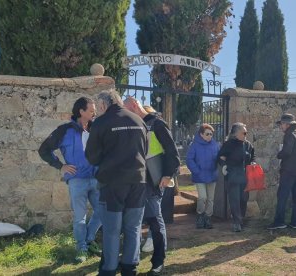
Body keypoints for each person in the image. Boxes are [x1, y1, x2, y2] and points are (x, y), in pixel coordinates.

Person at [85, 90, 148, 276]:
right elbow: (144, 150)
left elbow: (92, 156)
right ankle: (130, 268)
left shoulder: (101, 123)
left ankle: (109, 270)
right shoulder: (138, 120)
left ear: (104, 104)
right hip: (138, 181)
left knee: (112, 230)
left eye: (99, 106)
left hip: (112, 183)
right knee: (133, 227)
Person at [38, 97, 101, 263]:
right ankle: (82, 248)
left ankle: (88, 240)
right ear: (81, 111)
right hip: (77, 180)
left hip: (96, 178)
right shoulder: (64, 130)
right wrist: (60, 166)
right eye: (91, 110)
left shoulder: (97, 128)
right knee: (80, 217)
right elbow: (44, 150)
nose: (94, 113)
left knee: (103, 211)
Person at [124, 97, 180, 276]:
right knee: (132, 223)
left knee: (155, 221)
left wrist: (168, 174)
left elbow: (172, 151)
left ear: (133, 105)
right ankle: (130, 259)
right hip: (135, 181)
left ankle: (158, 262)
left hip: (152, 181)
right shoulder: (134, 124)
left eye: (126, 109)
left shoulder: (157, 123)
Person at [268, 114, 296, 230]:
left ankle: (279, 221)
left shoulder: (289, 134)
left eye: (281, 124)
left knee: (282, 196)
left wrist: (279, 154)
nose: (281, 127)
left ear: (287, 124)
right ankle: (295, 222)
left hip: (289, 170)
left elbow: (287, 152)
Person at [218, 122, 255, 232]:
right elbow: (221, 157)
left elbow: (253, 156)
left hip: (245, 176)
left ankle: (241, 219)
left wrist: (253, 162)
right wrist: (224, 166)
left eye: (246, 132)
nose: (246, 134)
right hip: (233, 176)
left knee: (244, 199)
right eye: (244, 132)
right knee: (234, 200)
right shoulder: (228, 144)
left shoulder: (248, 145)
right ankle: (236, 222)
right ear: (236, 133)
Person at [186, 123, 220, 229]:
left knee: (210, 199)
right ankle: (200, 215)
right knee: (202, 197)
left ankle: (208, 217)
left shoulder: (215, 145)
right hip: (199, 176)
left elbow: (219, 157)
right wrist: (196, 170)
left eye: (211, 134)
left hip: (212, 175)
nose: (210, 136)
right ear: (201, 134)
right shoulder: (194, 145)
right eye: (207, 134)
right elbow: (189, 159)